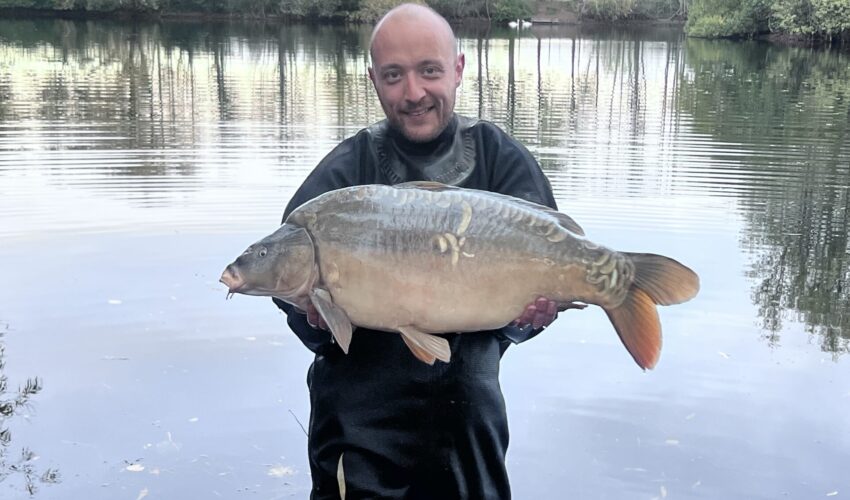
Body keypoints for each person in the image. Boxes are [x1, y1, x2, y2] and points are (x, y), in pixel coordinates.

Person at [274, 4, 565, 498]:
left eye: (429, 71)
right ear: (373, 80)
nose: (413, 93)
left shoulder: (500, 160)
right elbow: (289, 295)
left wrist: (527, 320)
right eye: (394, 76)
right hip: (360, 431)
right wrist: (313, 317)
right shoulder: (344, 175)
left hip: (468, 423)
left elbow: (542, 286)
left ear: (458, 68)